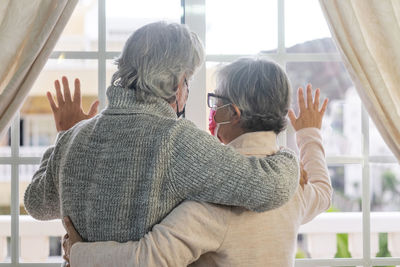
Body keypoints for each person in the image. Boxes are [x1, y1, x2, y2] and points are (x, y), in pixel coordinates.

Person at [23, 22, 299, 253]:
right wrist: (285, 152)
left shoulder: (75, 137)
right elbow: (272, 189)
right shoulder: (177, 141)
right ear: (179, 84)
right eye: (188, 82)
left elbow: (36, 204)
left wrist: (64, 135)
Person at [62, 58, 332, 267]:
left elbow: (148, 258)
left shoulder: (217, 197)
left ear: (233, 114)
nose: (212, 110)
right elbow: (322, 192)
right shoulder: (293, 186)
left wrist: (79, 253)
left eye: (217, 102)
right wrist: (310, 134)